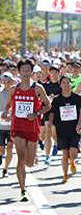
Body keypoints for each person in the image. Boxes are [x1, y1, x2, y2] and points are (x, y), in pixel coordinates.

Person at [1, 59, 51, 201]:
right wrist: (6, 112)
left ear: (31, 72)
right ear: (19, 72)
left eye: (28, 70)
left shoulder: (37, 88)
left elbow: (48, 105)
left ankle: (33, 157)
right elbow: (10, 103)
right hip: (17, 127)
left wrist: (36, 114)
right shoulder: (14, 89)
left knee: (29, 162)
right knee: (21, 159)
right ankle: (23, 189)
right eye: (23, 70)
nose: (25, 73)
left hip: (32, 128)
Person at [49, 76, 81, 183]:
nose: (66, 85)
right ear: (60, 85)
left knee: (73, 153)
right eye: (63, 83)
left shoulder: (77, 98)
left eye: (68, 83)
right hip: (61, 130)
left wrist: (80, 122)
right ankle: (65, 175)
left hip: (74, 129)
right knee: (65, 154)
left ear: (71, 84)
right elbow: (52, 113)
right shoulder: (56, 99)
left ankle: (73, 161)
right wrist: (51, 125)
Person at [0, 73, 15, 177]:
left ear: (12, 81)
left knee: (10, 147)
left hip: (12, 126)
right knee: (1, 149)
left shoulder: (15, 93)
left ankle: (6, 168)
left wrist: (12, 116)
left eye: (8, 82)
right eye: (4, 82)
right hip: (0, 126)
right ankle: (1, 157)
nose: (6, 84)